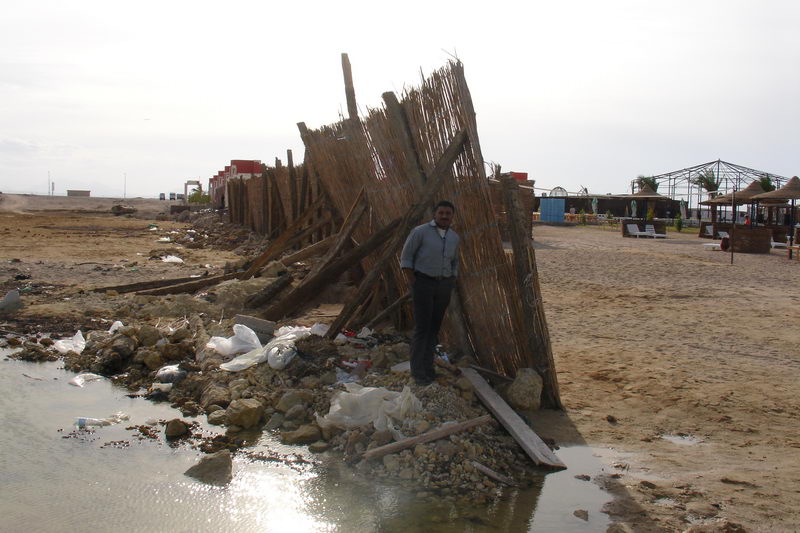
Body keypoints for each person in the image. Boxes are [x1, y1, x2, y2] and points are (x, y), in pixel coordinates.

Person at [400, 200, 460, 386]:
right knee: (422, 328)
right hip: (423, 283)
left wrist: (451, 279)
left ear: (452, 216)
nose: (444, 216)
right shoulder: (420, 232)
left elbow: (455, 261)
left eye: (448, 213)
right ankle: (418, 372)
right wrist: (414, 282)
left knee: (434, 329)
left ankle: (429, 369)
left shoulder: (454, 237)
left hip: (443, 286)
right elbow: (406, 257)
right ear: (435, 214)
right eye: (441, 212)